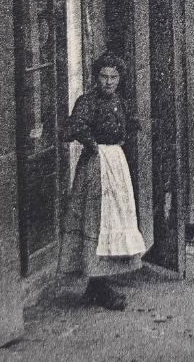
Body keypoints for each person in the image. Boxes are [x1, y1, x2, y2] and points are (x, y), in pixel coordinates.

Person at [59, 53, 146, 311]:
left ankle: (99, 284)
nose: (108, 82)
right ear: (96, 77)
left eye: (113, 77)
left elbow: (131, 123)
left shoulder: (119, 101)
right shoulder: (88, 101)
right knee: (97, 218)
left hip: (115, 162)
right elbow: (73, 127)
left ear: (119, 79)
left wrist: (125, 135)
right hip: (96, 164)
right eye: (104, 76)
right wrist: (91, 144)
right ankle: (97, 283)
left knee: (115, 217)